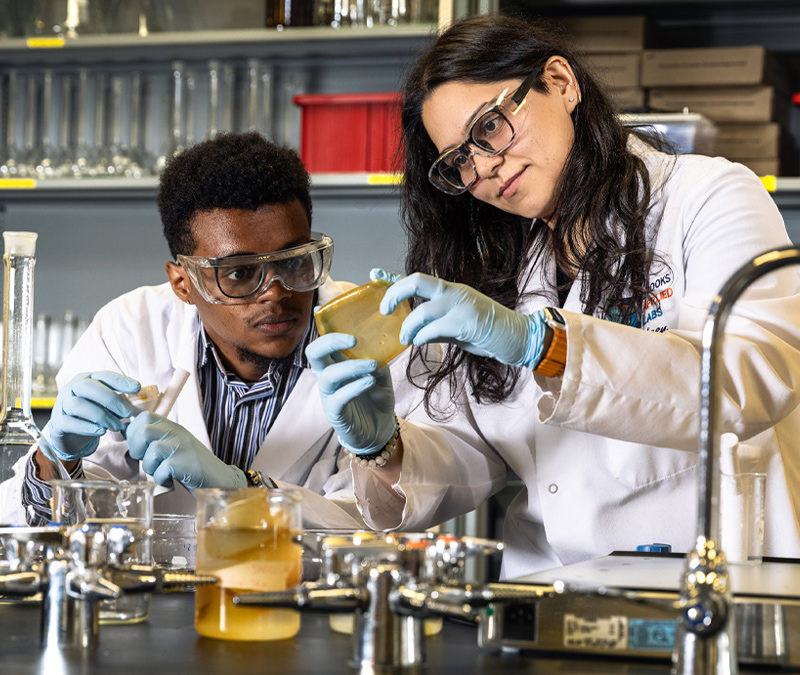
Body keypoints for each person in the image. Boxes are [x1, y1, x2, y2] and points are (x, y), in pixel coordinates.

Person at [305, 14, 800, 579]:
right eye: (459, 160)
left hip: (709, 577)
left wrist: (542, 344)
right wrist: (384, 446)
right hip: (545, 587)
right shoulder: (502, 263)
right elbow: (471, 452)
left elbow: (751, 379)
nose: (485, 166)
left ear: (561, 83)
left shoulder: (706, 196)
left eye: (489, 126)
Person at [0, 131, 399, 529]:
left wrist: (240, 491)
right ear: (183, 284)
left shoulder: (369, 333)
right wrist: (55, 460)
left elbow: (387, 519)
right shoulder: (131, 329)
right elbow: (62, 522)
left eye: (294, 261)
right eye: (240, 273)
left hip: (304, 590)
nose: (275, 292)